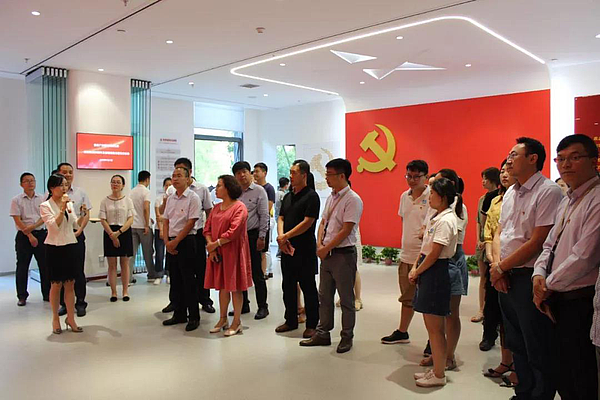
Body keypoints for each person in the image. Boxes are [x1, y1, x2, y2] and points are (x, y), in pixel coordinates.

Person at [489, 137, 563, 400]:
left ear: (533, 159)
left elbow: (539, 240)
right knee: (516, 340)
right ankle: (523, 392)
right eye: (508, 155)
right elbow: (500, 232)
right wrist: (498, 267)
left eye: (514, 155)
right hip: (506, 274)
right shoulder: (511, 192)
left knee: (537, 343)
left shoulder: (548, 191)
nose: (508, 160)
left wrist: (501, 267)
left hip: (529, 276)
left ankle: (540, 395)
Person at [532, 134, 600, 399]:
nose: (566, 164)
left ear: (593, 161)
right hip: (556, 296)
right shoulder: (567, 200)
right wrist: (539, 274)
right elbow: (549, 244)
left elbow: (585, 257)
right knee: (561, 370)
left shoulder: (596, 199)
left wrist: (546, 285)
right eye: (561, 159)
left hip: (580, 300)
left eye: (575, 157)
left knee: (581, 374)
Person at [300, 158, 363, 354]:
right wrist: (320, 245)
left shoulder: (353, 199)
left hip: (343, 254)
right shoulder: (331, 197)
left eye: (329, 175)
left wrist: (326, 248)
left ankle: (346, 337)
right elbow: (323, 222)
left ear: (342, 176)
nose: (326, 178)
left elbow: (346, 229)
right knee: (325, 296)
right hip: (326, 253)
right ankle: (323, 333)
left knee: (346, 299)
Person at [408, 177, 459, 387]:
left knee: (436, 328)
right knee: (432, 327)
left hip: (436, 272)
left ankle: (439, 374)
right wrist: (415, 268)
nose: (429, 197)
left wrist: (417, 270)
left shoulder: (447, 220)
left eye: (433, 194)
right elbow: (425, 249)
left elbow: (435, 253)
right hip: (428, 270)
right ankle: (437, 369)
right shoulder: (436, 216)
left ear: (443, 197)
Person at [419, 169, 467, 370]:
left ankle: (449, 356)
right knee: (434, 313)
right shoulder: (435, 209)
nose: (431, 190)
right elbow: (425, 231)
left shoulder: (457, 210)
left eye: (436, 185)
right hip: (434, 261)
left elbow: (443, 243)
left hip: (450, 261)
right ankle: (437, 354)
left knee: (451, 313)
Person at [381, 160, 430, 345]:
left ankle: (433, 340)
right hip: (406, 254)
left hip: (425, 256)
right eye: (409, 176)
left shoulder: (432, 197)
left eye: (416, 177)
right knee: (406, 298)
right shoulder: (404, 196)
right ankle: (402, 332)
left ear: (426, 177)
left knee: (428, 301)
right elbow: (405, 222)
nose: (412, 180)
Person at [481, 160, 518, 388]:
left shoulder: (523, 198)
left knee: (515, 321)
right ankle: (506, 361)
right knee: (499, 315)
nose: (505, 174)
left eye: (508, 170)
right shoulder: (495, 200)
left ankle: (519, 368)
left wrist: (501, 266)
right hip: (495, 264)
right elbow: (490, 233)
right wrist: (494, 263)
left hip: (513, 265)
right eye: (502, 170)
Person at [161, 158, 214, 314]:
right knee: (175, 273)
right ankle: (176, 303)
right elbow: (165, 217)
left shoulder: (200, 190)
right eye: (174, 173)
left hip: (195, 234)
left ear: (189, 173)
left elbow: (208, 211)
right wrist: (167, 241)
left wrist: (209, 233)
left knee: (198, 270)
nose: (176, 177)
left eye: (180, 172)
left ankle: (204, 300)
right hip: (174, 237)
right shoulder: (171, 192)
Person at [275, 160, 320, 338]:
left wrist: (286, 236)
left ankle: (312, 324)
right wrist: (281, 237)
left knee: (308, 286)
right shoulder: (288, 196)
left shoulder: (312, 196)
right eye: (290, 172)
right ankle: (290, 320)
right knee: (288, 285)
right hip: (287, 248)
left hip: (304, 249)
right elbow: (281, 217)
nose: (291, 176)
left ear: (304, 175)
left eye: (294, 173)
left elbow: (308, 222)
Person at [204, 175, 253, 337]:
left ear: (228, 188)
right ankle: (222, 319)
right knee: (222, 287)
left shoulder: (240, 208)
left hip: (234, 252)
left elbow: (233, 232)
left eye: (219, 186)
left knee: (235, 287)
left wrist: (215, 244)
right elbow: (207, 228)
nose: (216, 189)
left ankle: (236, 322)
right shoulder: (216, 208)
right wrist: (211, 247)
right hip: (217, 252)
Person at [40, 174, 86, 334]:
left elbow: (75, 224)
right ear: (52, 188)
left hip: (70, 245)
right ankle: (55, 319)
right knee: (56, 285)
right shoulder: (45, 206)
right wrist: (61, 209)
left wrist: (83, 215)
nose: (64, 188)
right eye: (61, 185)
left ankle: (71, 318)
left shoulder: (69, 204)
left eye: (66, 185)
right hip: (54, 247)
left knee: (70, 284)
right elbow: (54, 226)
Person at [161, 167, 201, 332]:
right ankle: (179, 314)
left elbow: (191, 223)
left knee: (188, 280)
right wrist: (166, 242)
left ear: (187, 178)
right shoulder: (170, 198)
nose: (175, 179)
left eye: (179, 176)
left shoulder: (193, 197)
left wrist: (176, 241)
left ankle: (194, 316)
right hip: (171, 242)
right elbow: (165, 221)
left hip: (186, 241)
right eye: (173, 176)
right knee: (175, 280)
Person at [233, 161, 270, 320]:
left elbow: (264, 215)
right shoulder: (234, 192)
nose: (242, 175)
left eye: (244, 172)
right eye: (238, 173)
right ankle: (244, 304)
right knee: (240, 272)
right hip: (237, 237)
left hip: (253, 235)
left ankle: (263, 307)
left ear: (250, 173)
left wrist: (262, 237)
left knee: (256, 273)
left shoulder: (259, 191)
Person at [56, 162, 91, 317]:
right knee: (62, 271)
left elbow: (86, 213)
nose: (68, 175)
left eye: (70, 172)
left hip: (77, 234)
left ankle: (81, 303)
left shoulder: (80, 192)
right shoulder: (51, 195)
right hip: (59, 238)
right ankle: (64, 304)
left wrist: (80, 230)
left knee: (78, 271)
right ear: (58, 173)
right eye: (64, 172)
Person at [10, 172, 48, 306]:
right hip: (24, 236)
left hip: (41, 234)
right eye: (27, 181)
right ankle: (22, 296)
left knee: (45, 265)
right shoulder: (16, 200)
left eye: (32, 180)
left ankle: (47, 294)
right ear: (21, 184)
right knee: (22, 266)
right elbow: (17, 219)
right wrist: (29, 234)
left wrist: (33, 227)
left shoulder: (42, 198)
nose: (30, 183)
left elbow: (44, 217)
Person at [99, 175, 135, 302]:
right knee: (112, 264)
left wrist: (118, 233)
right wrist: (112, 235)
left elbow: (130, 219)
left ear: (123, 185)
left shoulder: (128, 200)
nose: (115, 184)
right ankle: (113, 292)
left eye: (118, 182)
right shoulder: (105, 201)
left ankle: (125, 291)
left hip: (124, 231)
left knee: (124, 263)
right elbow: (102, 219)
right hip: (109, 231)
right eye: (113, 182)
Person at [472, 167, 501, 323]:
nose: (483, 181)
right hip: (482, 242)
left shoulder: (500, 198)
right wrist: (479, 239)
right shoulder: (482, 199)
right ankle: (481, 309)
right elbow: (479, 221)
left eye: (485, 178)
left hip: (495, 242)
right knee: (483, 276)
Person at [129, 170, 160, 284]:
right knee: (148, 252)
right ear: (147, 179)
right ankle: (151, 275)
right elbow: (146, 208)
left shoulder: (131, 192)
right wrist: (146, 224)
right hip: (143, 227)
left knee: (131, 254)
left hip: (132, 225)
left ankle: (128, 277)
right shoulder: (146, 192)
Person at [253, 162, 276, 279]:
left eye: (257, 171)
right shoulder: (254, 188)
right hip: (253, 224)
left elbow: (267, 208)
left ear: (264, 173)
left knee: (264, 250)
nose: (255, 174)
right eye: (254, 171)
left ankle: (264, 273)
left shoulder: (269, 188)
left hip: (265, 222)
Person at [155, 177, 172, 283]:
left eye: (170, 185)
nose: (168, 187)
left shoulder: (176, 199)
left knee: (169, 253)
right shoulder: (159, 199)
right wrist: (161, 230)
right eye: (166, 185)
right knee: (159, 253)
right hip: (159, 229)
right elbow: (159, 216)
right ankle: (158, 274)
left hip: (171, 230)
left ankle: (168, 273)